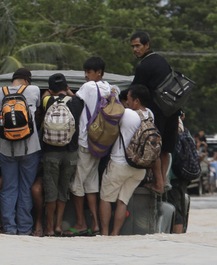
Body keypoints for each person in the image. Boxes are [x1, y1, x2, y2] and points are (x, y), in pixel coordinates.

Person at [67, 56, 117, 236]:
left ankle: (81, 222)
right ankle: (95, 223)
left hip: (85, 141)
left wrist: (67, 93)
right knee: (91, 183)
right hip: (101, 143)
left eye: (89, 72)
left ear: (99, 73)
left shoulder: (88, 87)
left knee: (77, 184)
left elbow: (76, 103)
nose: (87, 76)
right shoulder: (111, 89)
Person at [0, 68, 41, 235]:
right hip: (30, 148)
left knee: (9, 188)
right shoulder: (33, 90)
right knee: (26, 188)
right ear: (27, 80)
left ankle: (10, 229)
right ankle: (25, 229)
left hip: (7, 149)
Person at [98, 85, 154, 236]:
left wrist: (113, 96)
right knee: (123, 201)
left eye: (128, 99)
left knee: (106, 198)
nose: (126, 102)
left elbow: (109, 113)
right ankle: (115, 233)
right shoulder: (150, 114)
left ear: (136, 100)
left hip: (120, 163)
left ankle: (104, 233)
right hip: (139, 168)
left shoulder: (128, 114)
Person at [130, 31, 179, 194]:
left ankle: (157, 183)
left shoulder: (144, 66)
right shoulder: (162, 61)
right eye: (132, 47)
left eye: (138, 46)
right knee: (165, 149)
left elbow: (134, 90)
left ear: (147, 45)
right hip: (172, 110)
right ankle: (164, 182)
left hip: (158, 112)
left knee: (154, 148)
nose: (135, 50)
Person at [38, 73, 83, 236]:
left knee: (51, 191)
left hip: (51, 153)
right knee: (63, 191)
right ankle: (58, 226)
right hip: (70, 153)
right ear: (66, 87)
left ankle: (48, 228)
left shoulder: (46, 101)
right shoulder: (76, 102)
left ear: (50, 89)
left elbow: (43, 98)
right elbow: (75, 98)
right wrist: (70, 93)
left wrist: (48, 93)